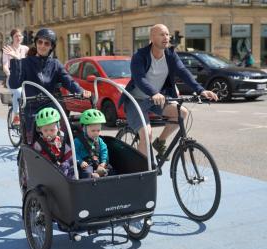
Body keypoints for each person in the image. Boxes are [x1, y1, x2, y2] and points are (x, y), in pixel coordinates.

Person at [119, 24, 218, 158]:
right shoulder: (140, 55)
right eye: (162, 34)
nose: (166, 37)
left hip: (157, 99)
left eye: (167, 34)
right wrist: (154, 92)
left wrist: (200, 90)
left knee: (182, 113)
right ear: (152, 38)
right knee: (146, 134)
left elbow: (183, 72)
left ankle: (160, 141)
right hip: (136, 100)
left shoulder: (170, 55)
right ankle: (143, 172)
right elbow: (139, 79)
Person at [4, 28, 91, 142]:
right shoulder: (25, 63)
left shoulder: (55, 64)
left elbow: (68, 81)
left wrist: (81, 91)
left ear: (51, 47)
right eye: (40, 42)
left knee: (67, 135)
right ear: (36, 43)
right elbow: (14, 84)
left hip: (52, 107)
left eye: (46, 43)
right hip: (32, 108)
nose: (42, 46)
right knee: (34, 142)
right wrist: (16, 61)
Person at [33, 107, 74, 178]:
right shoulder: (39, 144)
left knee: (73, 169)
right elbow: (36, 159)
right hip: (47, 170)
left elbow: (68, 153)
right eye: (45, 131)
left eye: (52, 130)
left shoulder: (61, 138)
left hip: (62, 166)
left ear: (58, 127)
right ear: (40, 130)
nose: (49, 133)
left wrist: (66, 162)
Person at [2, 29, 29, 125]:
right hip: (13, 78)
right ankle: (16, 115)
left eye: (20, 36)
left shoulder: (26, 49)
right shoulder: (8, 49)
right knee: (18, 91)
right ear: (12, 38)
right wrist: (9, 73)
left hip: (25, 78)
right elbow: (5, 65)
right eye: (16, 36)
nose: (18, 38)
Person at [74, 109, 111, 179]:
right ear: (84, 129)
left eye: (98, 130)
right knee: (87, 173)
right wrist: (80, 161)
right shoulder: (78, 141)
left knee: (111, 170)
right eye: (93, 131)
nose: (96, 133)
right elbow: (73, 153)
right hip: (86, 163)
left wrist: (103, 162)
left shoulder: (99, 140)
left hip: (98, 162)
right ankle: (92, 177)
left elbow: (104, 151)